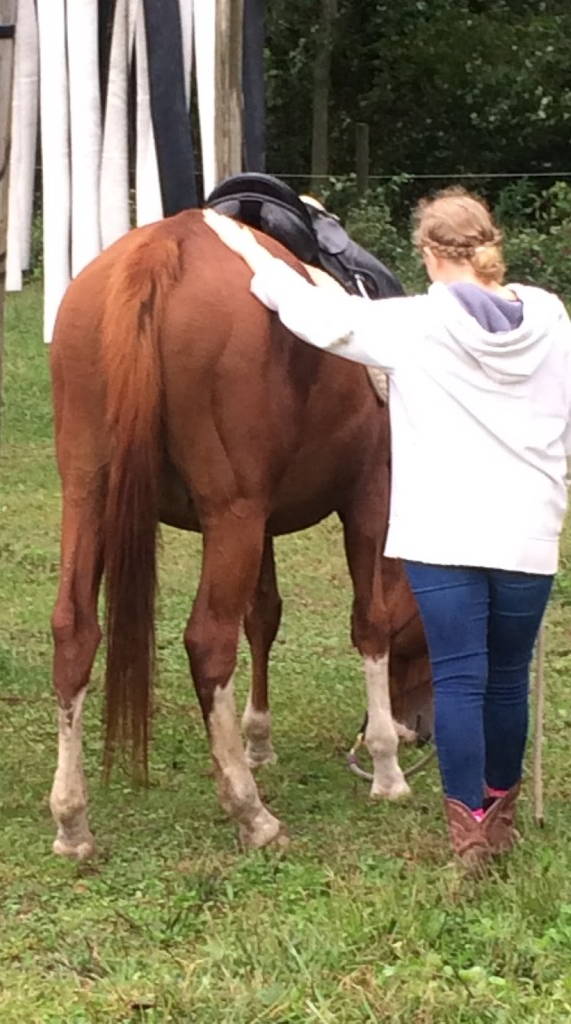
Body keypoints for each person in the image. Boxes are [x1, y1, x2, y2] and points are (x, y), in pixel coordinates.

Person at [203, 188, 571, 876]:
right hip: (528, 530)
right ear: (492, 247)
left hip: (445, 535)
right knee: (507, 678)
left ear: (428, 253)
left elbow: (316, 315)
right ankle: (502, 817)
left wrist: (241, 244)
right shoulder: (551, 318)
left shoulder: (415, 325)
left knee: (459, 680)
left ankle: (468, 839)